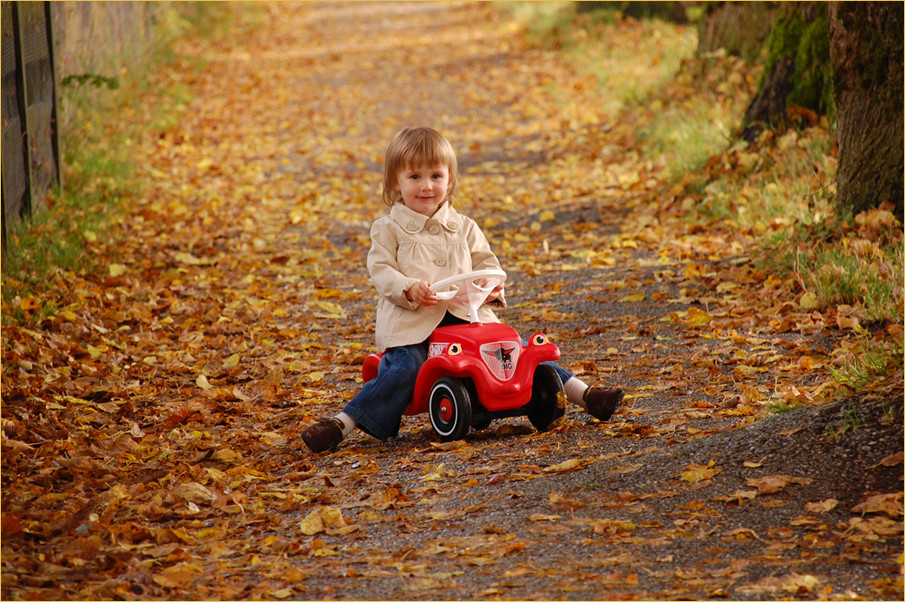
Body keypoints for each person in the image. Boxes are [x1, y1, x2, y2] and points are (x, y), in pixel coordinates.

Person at [301, 127, 623, 452]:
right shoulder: (388, 229)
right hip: (415, 328)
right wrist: (409, 288)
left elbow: (487, 263)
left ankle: (586, 395)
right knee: (405, 368)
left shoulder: (465, 226)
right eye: (414, 176)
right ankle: (344, 423)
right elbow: (382, 270)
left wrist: (493, 287)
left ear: (449, 180)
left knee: (517, 351)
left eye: (435, 176)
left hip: (466, 318)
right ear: (395, 183)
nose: (426, 186)